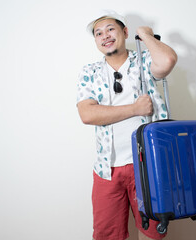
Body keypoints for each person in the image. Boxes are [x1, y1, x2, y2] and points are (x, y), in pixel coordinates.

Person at [76, 10, 177, 240]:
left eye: (110, 29)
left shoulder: (144, 59)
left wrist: (145, 35)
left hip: (148, 165)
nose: (105, 36)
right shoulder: (89, 72)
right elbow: (87, 114)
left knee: (154, 232)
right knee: (107, 234)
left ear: (124, 32)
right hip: (106, 168)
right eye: (98, 33)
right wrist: (135, 108)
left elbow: (168, 60)